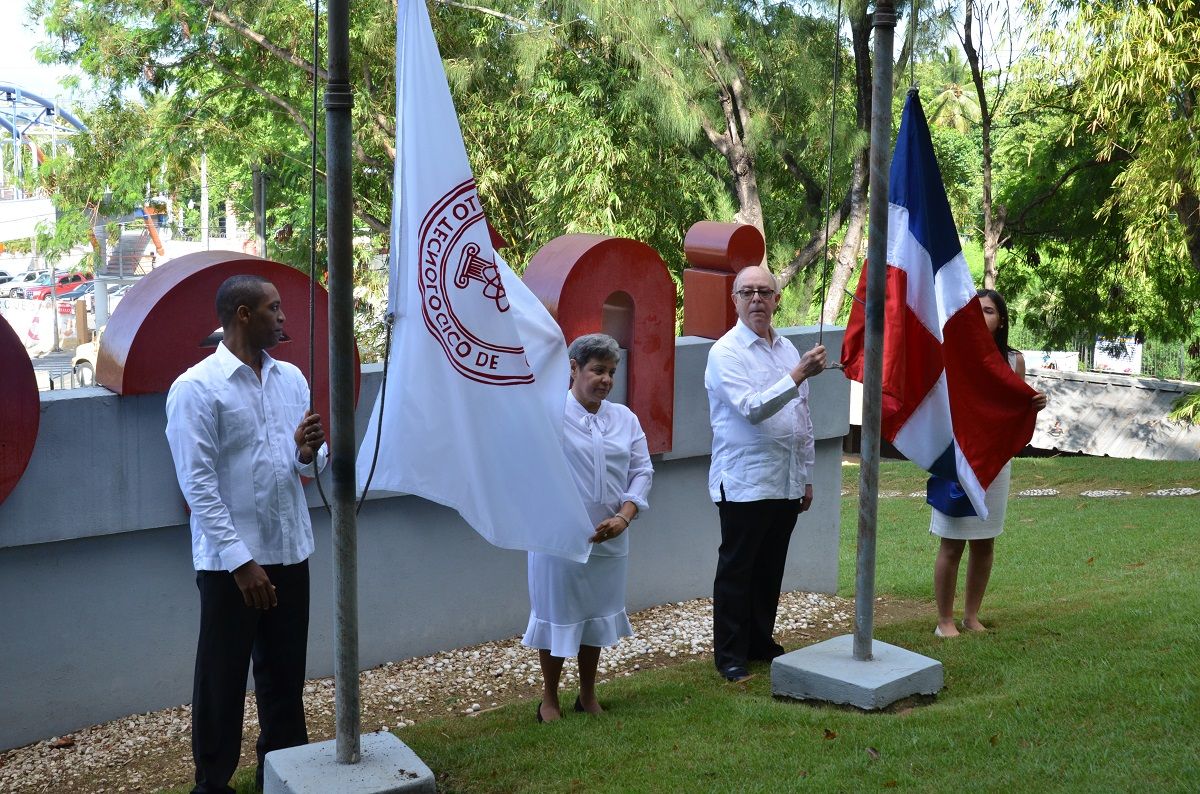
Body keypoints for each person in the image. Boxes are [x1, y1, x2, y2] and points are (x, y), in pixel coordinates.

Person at [165, 274, 327, 793]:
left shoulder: (292, 380)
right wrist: (240, 562)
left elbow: (301, 466)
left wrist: (306, 451)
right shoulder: (196, 389)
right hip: (229, 566)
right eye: (273, 309)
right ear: (241, 314)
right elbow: (198, 486)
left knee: (284, 676)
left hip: (289, 549)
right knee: (222, 679)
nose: (283, 318)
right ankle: (212, 784)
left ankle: (282, 776)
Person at [522, 333, 653, 722]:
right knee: (556, 613)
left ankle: (588, 695)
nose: (606, 379)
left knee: (596, 614)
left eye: (611, 372)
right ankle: (549, 699)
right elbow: (528, 472)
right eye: (598, 370)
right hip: (558, 538)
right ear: (574, 368)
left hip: (612, 537)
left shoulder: (624, 418)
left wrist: (624, 517)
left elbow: (642, 471)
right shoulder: (547, 414)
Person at [705, 266, 827, 683]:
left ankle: (760, 642)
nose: (757, 299)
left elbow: (801, 414)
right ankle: (730, 656)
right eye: (748, 292)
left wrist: (806, 474)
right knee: (738, 570)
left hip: (785, 477)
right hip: (744, 480)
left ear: (777, 300)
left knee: (770, 567)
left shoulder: (788, 349)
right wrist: (797, 376)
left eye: (765, 292)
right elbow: (753, 409)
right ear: (734, 300)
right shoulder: (725, 352)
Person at [931, 288, 1047, 638]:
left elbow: (1012, 414)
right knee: (951, 542)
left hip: (995, 465)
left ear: (1001, 320)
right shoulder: (951, 354)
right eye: (976, 311)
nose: (983, 317)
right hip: (958, 462)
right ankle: (944, 621)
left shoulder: (1014, 361)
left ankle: (971, 616)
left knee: (985, 542)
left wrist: (1033, 406)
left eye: (990, 311)